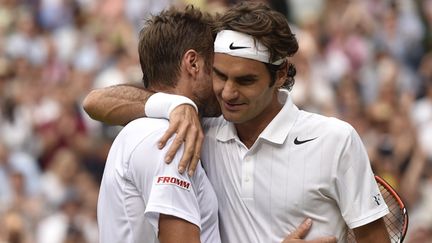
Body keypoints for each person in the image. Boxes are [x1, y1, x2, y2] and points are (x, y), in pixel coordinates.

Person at [85, 2, 388, 243]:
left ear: (280, 75)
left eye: (245, 80)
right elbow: (95, 102)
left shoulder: (336, 140)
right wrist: (176, 104)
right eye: (220, 75)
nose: (228, 93)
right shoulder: (197, 132)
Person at [96, 6, 222, 243]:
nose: (223, 85)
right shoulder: (169, 138)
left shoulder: (140, 129)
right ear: (193, 63)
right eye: (216, 70)